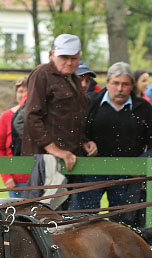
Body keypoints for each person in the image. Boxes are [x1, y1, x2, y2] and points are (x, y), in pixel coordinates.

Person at [70, 62, 152, 226]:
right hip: (91, 171)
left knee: (124, 226)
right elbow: (71, 132)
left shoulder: (143, 108)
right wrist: (84, 142)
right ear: (107, 83)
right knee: (82, 222)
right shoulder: (89, 103)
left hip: (127, 175)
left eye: (125, 84)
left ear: (132, 85)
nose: (120, 88)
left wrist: (141, 164)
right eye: (116, 83)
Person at [21, 33, 96, 171]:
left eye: (74, 58)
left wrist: (84, 142)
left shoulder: (74, 80)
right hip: (45, 160)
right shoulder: (42, 73)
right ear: (53, 54)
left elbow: (70, 119)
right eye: (64, 57)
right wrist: (55, 150)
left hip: (71, 159)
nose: (69, 62)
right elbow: (32, 117)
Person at [0, 77, 30, 197]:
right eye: (20, 91)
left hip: (38, 177)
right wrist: (6, 176)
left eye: (27, 91)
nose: (23, 95)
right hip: (17, 182)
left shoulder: (40, 117)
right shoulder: (5, 117)